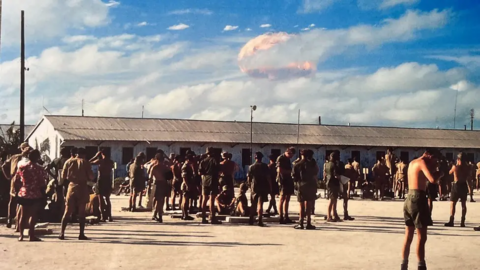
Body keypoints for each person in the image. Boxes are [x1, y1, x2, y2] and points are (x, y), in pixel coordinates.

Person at [402, 148, 441, 270]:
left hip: (409, 198)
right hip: (418, 198)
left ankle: (404, 265)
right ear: (430, 156)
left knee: (408, 236)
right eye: (435, 159)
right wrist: (441, 172)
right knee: (421, 237)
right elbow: (433, 180)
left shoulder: (413, 162)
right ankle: (421, 266)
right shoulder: (422, 162)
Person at [59, 148, 94, 240]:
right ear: (84, 154)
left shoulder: (68, 162)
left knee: (67, 211)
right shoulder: (85, 162)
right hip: (82, 187)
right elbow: (91, 176)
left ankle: (62, 233)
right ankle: (81, 234)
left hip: (71, 187)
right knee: (81, 212)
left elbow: (63, 176)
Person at [16, 150, 47, 241]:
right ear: (37, 157)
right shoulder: (39, 169)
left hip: (24, 192)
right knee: (33, 215)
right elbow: (42, 182)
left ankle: (21, 235)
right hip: (35, 194)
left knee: (23, 215)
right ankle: (31, 235)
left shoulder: (22, 167)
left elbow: (16, 180)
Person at [2, 143, 31, 229]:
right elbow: (3, 166)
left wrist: (8, 177)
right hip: (18, 180)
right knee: (17, 200)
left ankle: (14, 220)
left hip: (17, 180)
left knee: (16, 200)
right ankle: (12, 219)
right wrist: (8, 176)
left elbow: (3, 166)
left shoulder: (20, 158)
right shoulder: (17, 157)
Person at [292, 149, 318, 230]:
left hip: (301, 185)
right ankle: (308, 223)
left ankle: (301, 223)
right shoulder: (313, 164)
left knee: (301, 205)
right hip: (311, 185)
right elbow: (316, 172)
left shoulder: (297, 164)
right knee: (309, 205)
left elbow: (294, 176)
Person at [444, 153, 470, 227]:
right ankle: (462, 221)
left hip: (456, 185)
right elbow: (469, 177)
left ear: (458, 159)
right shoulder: (467, 167)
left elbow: (449, 172)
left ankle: (451, 220)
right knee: (463, 204)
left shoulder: (455, 167)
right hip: (464, 184)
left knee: (453, 203)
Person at [45, 147, 70, 221]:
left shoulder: (56, 160)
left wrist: (54, 176)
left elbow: (47, 168)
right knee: (67, 198)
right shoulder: (68, 161)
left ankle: (58, 215)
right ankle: (65, 214)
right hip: (67, 181)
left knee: (58, 198)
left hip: (58, 181)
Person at [89, 148, 114, 222]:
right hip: (108, 180)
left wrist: (95, 156)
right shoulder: (111, 162)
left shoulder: (100, 161)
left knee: (100, 199)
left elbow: (89, 162)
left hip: (101, 180)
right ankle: (109, 216)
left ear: (102, 154)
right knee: (107, 199)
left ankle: (103, 216)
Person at [199, 147, 221, 224]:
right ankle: (212, 217)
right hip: (213, 180)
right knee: (212, 199)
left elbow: (200, 172)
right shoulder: (214, 160)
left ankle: (203, 217)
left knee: (204, 199)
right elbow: (219, 170)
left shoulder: (203, 161)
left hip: (205, 180)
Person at [247, 152, 271, 227]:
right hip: (263, 186)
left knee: (253, 203)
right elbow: (268, 178)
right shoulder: (265, 166)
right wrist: (270, 187)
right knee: (260, 203)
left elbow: (249, 178)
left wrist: (249, 186)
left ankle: (251, 219)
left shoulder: (251, 167)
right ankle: (260, 219)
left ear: (255, 158)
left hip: (254, 186)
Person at [276, 147, 296, 224]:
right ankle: (281, 216)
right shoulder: (281, 158)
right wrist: (290, 172)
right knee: (282, 198)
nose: (291, 157)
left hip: (288, 180)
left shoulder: (288, 159)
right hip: (282, 181)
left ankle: (286, 216)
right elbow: (279, 170)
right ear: (288, 152)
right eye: (291, 155)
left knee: (287, 198)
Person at [149, 151, 169, 223]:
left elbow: (150, 178)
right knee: (161, 200)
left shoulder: (154, 167)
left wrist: (149, 187)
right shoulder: (165, 167)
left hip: (157, 183)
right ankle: (159, 215)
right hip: (164, 183)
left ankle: (155, 214)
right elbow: (169, 176)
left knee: (157, 200)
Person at [325, 152, 340, 222]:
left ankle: (333, 214)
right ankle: (329, 216)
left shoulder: (327, 164)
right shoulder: (334, 165)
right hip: (334, 183)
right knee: (332, 200)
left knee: (333, 199)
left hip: (328, 182)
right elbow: (336, 175)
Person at [180, 154, 195, 220]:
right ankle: (185, 214)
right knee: (185, 200)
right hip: (186, 185)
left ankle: (184, 214)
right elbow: (184, 177)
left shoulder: (188, 166)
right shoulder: (185, 167)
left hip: (187, 184)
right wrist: (187, 185)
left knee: (185, 200)